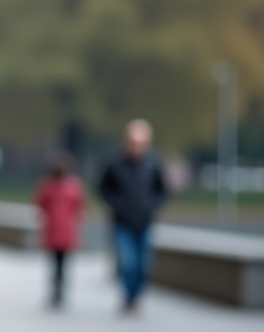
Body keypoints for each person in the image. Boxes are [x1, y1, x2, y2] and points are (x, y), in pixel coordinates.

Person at [98, 119, 167, 314]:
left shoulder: (153, 163)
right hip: (122, 222)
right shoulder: (113, 161)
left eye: (141, 143)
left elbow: (162, 190)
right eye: (133, 143)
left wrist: (151, 206)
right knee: (128, 262)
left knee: (144, 263)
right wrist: (116, 206)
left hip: (145, 221)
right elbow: (103, 188)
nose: (137, 147)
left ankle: (136, 295)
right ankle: (129, 297)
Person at [34, 152, 84, 309]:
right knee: (61, 264)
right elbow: (80, 208)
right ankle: (59, 290)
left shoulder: (47, 186)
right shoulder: (73, 187)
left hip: (56, 231)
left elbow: (39, 205)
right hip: (64, 232)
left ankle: (57, 290)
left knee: (57, 264)